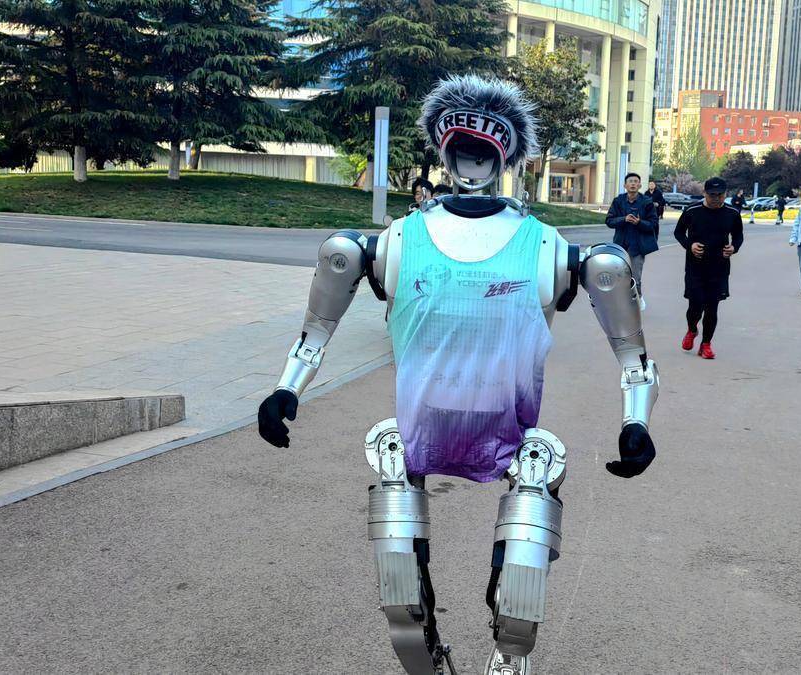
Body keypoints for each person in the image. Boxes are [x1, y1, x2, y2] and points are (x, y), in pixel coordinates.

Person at [256, 74, 660, 675]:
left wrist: (636, 422)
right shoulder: (395, 240)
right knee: (402, 602)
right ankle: (428, 657)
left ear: (503, 155)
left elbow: (632, 354)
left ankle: (509, 654)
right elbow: (316, 328)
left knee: (519, 607)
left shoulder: (549, 247)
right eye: (462, 146)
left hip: (511, 429)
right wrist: (285, 389)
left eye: (482, 146)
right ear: (445, 152)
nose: (471, 159)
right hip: (419, 425)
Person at [674, 176, 744, 359]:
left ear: (725, 194)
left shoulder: (732, 213)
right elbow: (678, 232)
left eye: (720, 195)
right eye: (712, 195)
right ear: (704, 193)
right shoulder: (692, 211)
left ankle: (706, 344)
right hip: (695, 266)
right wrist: (690, 245)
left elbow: (738, 236)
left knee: (712, 307)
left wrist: (734, 248)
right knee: (695, 305)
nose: (716, 199)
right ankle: (692, 329)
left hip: (719, 267)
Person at [606, 172, 659, 310]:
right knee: (619, 275)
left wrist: (639, 222)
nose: (633, 184)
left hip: (638, 246)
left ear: (640, 185)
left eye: (636, 181)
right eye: (630, 181)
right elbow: (609, 221)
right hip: (620, 246)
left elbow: (653, 223)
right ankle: (620, 301)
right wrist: (623, 219)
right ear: (625, 185)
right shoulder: (618, 201)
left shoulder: (646, 202)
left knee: (635, 276)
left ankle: (638, 298)